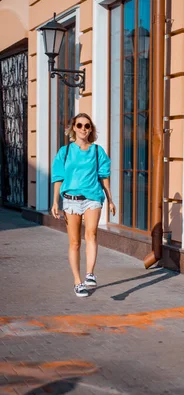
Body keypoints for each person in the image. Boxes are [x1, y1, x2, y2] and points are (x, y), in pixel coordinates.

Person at [51, 113, 116, 297]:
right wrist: (55, 201)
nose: (83, 129)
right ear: (73, 128)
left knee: (92, 233)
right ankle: (77, 282)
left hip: (93, 198)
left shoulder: (97, 151)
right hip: (71, 200)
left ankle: (90, 274)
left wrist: (110, 199)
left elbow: (104, 177)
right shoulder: (64, 152)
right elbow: (58, 177)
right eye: (79, 125)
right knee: (75, 242)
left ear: (91, 129)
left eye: (87, 126)